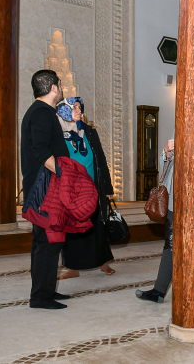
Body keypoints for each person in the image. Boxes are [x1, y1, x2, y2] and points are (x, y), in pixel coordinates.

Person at [20, 70, 70, 309]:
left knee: (46, 241)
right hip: (45, 188)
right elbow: (40, 150)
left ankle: (45, 290)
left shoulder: (41, 111)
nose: (62, 89)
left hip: (45, 186)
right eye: (60, 85)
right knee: (47, 242)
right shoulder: (41, 112)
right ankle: (41, 297)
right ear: (53, 88)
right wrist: (64, 173)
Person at [55, 98, 116, 280]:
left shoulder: (89, 131)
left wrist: (107, 187)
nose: (78, 110)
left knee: (97, 224)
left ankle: (103, 262)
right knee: (73, 228)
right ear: (64, 111)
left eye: (79, 107)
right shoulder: (57, 133)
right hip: (71, 189)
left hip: (93, 186)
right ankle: (73, 267)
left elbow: (101, 159)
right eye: (74, 107)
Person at [136, 135, 175, 303]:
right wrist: (166, 152)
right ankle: (159, 291)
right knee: (170, 245)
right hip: (175, 198)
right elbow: (166, 164)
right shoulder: (180, 125)